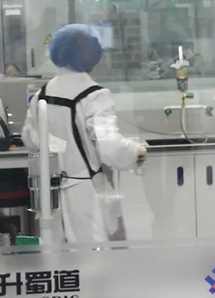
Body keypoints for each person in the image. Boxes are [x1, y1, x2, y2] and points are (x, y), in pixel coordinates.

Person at [22, 23, 146, 244]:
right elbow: (110, 148)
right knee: (94, 257)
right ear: (93, 56)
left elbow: (30, 140)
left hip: (52, 194)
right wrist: (136, 153)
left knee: (61, 257)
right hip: (87, 192)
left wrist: (59, 147)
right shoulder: (95, 96)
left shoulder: (42, 93)